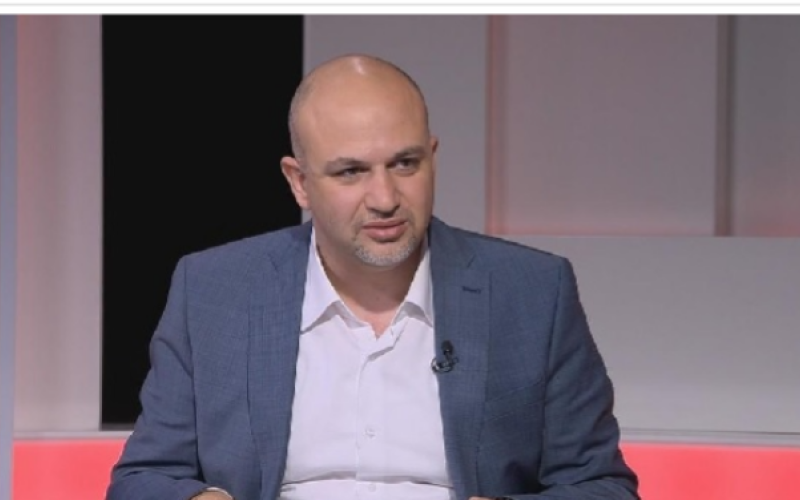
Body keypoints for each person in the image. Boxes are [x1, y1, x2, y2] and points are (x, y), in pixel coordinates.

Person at [107, 54, 639, 500]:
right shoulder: (214, 290)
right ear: (299, 182)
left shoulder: (532, 292)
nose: (385, 199)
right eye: (351, 171)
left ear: (433, 158)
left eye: (405, 164)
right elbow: (141, 480)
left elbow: (602, 486)